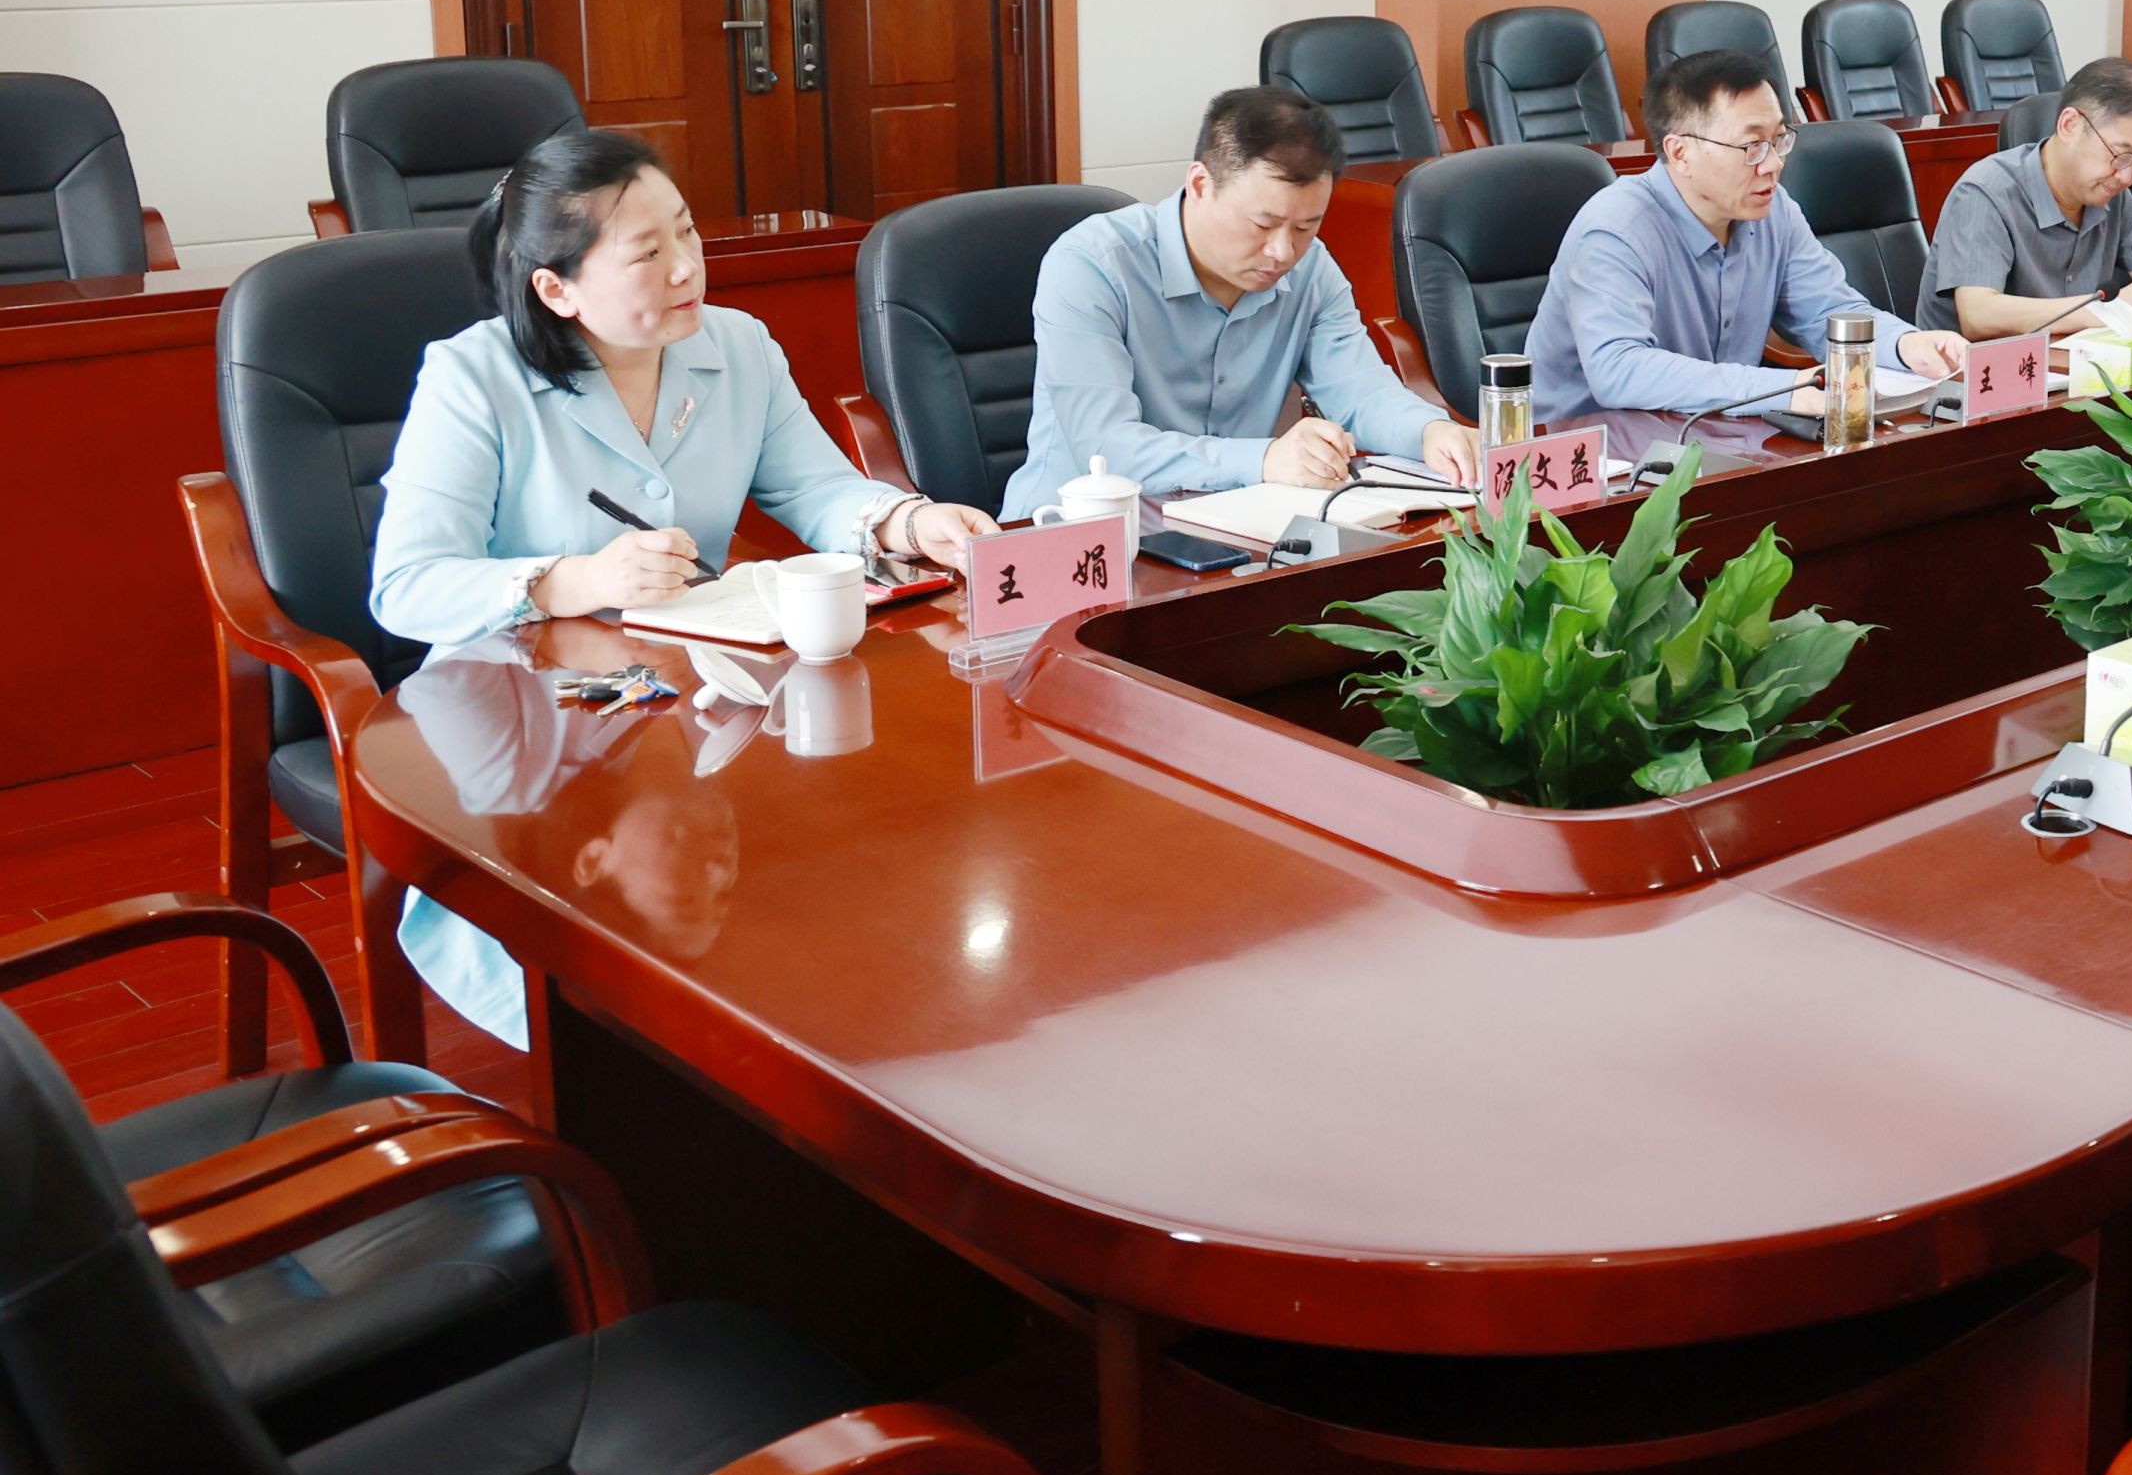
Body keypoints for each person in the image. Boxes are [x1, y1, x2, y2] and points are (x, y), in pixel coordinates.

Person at [368, 128, 996, 1043]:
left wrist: (906, 522)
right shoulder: (475, 375)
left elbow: (817, 489)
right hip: (521, 702)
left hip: (691, 679)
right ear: (556, 289)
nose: (686, 267)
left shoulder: (739, 346)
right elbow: (406, 583)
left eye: (689, 232)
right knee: (597, 1000)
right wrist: (573, 578)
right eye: (646, 253)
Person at [1009, 85, 1475, 519]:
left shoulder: (1311, 269)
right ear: (1200, 184)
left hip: (1228, 528)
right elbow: (1107, 447)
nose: (1283, 252)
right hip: (1076, 537)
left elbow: (1361, 390)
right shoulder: (1093, 265)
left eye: (1305, 226)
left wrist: (1430, 432)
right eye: (1262, 224)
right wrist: (1264, 459)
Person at [1525, 46, 1967, 425]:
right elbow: (1620, 369)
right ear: (1680, 152)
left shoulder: (1774, 212)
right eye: (1752, 146)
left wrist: (1905, 344)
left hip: (1705, 434)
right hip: (1592, 458)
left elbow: (1828, 310)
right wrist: (1783, 389)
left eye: (1779, 140)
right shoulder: (1615, 230)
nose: (1773, 164)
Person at [1925, 56, 2132, 338]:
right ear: (2070, 125)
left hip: (2073, 366)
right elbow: (1979, 314)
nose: (2127, 177)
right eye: (2121, 155)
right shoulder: (1986, 192)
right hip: (1980, 373)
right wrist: (2109, 310)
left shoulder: (2113, 195)